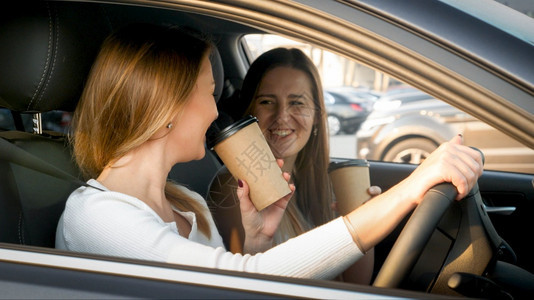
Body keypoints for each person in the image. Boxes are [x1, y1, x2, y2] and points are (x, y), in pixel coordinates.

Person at [56, 23, 483, 281]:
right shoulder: (97, 216)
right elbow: (239, 281)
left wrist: (256, 240)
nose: (216, 110)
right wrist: (411, 188)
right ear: (166, 107)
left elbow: (243, 284)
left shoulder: (189, 207)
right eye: (208, 93)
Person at [208, 48, 379, 284]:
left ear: (318, 115)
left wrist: (362, 218)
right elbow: (249, 287)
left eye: (297, 103)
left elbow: (355, 284)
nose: (282, 116)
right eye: (267, 101)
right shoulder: (235, 187)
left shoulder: (316, 181)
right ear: (249, 111)